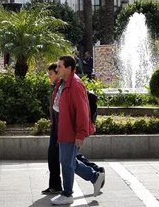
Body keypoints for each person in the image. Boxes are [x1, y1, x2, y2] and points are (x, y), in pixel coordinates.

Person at [50, 55, 104, 205]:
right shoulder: (62, 82)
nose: (57, 69)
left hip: (71, 131)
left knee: (66, 162)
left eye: (60, 66)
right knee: (68, 161)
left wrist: (81, 134)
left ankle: (67, 194)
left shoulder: (76, 85)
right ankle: (94, 176)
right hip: (63, 128)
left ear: (69, 68)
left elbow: (82, 111)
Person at [42, 63, 63, 195]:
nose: (49, 76)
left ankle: (94, 173)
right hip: (55, 125)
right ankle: (54, 185)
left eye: (51, 74)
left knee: (58, 157)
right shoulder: (55, 86)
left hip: (60, 127)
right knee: (53, 157)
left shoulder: (61, 86)